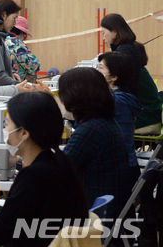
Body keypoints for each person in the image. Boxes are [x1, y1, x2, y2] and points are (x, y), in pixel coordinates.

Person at [0, 92, 89, 247]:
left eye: (7, 124)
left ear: (24, 133)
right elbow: (23, 216)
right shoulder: (58, 160)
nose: (5, 130)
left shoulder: (35, 176)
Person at [59, 67, 136, 221]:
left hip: (93, 213)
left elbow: (58, 171)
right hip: (106, 207)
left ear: (74, 97)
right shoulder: (103, 122)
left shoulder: (89, 131)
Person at [100, 13, 162, 135]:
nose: (103, 37)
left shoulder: (125, 53)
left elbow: (123, 91)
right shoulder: (130, 48)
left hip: (145, 118)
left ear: (114, 32)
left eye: (104, 32)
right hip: (150, 113)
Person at [97, 51, 142, 185]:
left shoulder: (117, 100)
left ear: (114, 76)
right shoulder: (117, 97)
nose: (96, 71)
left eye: (100, 68)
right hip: (121, 165)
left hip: (119, 169)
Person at [5, 16, 41, 82]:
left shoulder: (2, 40)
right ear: (21, 32)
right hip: (18, 84)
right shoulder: (17, 44)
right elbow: (34, 66)